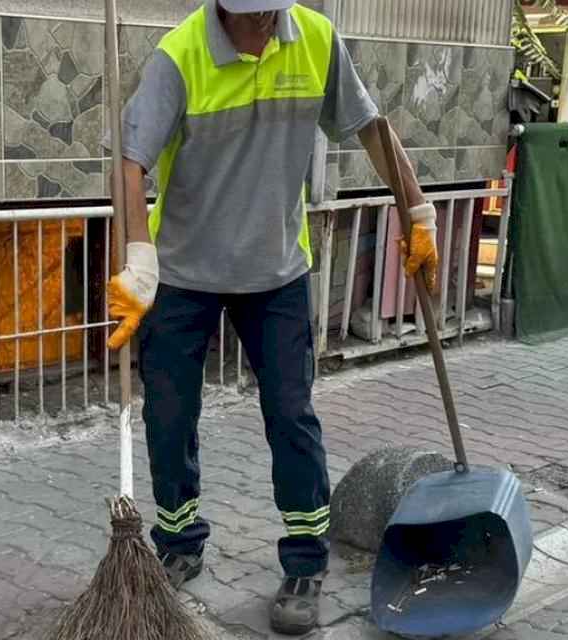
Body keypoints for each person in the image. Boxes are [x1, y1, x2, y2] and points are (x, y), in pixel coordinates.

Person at [105, 0, 439, 633]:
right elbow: (130, 160)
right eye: (251, 14)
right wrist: (138, 258)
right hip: (184, 274)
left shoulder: (315, 38)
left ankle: (306, 562)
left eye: (271, 11)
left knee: (291, 415)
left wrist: (417, 211)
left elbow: (370, 126)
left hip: (277, 272)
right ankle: (178, 542)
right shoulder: (180, 55)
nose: (264, 24)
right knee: (169, 416)